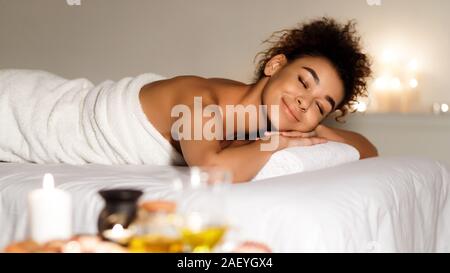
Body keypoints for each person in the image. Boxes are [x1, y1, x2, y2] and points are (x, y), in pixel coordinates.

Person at [139, 17, 378, 182]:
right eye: (303, 82)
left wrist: (316, 130)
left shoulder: (276, 125)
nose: (305, 102)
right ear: (275, 65)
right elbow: (211, 171)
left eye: (320, 105)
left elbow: (369, 151)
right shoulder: (200, 102)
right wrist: (277, 143)